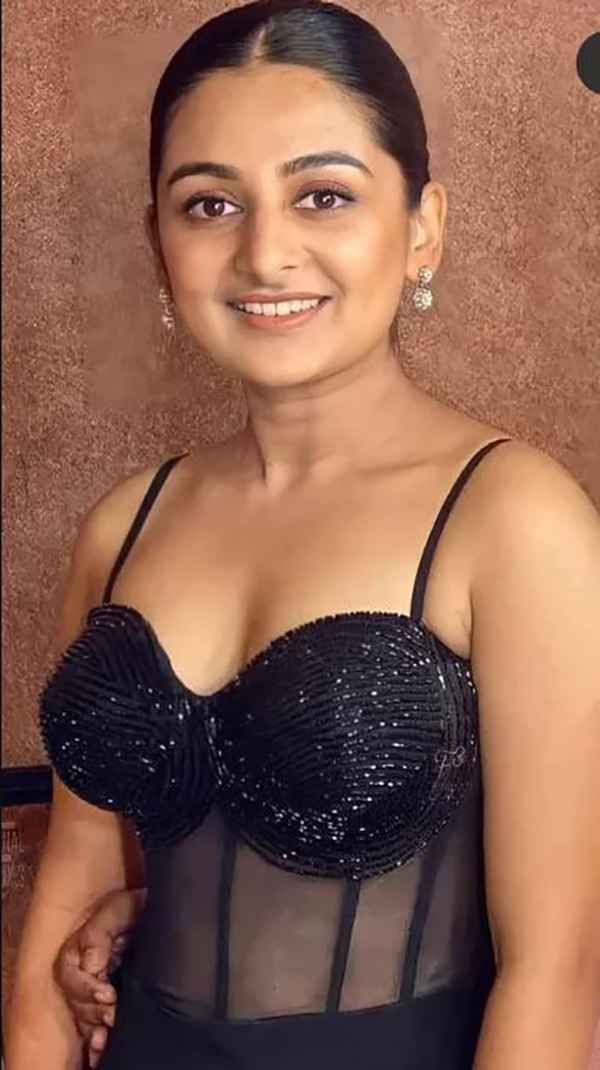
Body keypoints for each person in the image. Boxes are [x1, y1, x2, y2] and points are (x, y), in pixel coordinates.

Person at [6, 1, 600, 1067]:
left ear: (423, 226)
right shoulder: (125, 524)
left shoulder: (514, 520)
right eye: (210, 204)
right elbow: (71, 894)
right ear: (159, 243)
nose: (265, 252)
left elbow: (559, 969)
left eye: (323, 194)